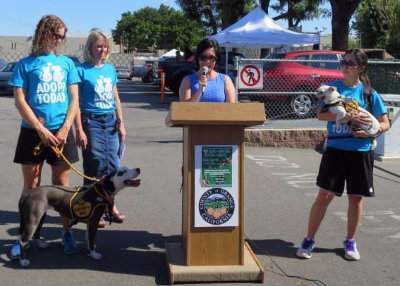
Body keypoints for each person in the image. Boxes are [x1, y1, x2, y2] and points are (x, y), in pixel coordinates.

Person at [296, 49, 390, 261]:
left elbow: (385, 122)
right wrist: (345, 117)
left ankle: (350, 242)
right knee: (324, 195)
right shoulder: (333, 89)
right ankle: (309, 239)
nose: (345, 66)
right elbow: (320, 114)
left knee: (355, 199)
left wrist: (371, 130)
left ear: (361, 68)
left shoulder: (369, 93)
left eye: (351, 63)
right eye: (344, 62)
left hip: (361, 151)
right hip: (336, 151)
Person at [9, 15, 80, 257]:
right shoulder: (25, 65)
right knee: (32, 187)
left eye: (63, 36)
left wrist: (62, 130)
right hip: (33, 133)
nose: (60, 40)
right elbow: (20, 101)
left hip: (62, 134)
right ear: (43, 33)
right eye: (56, 34)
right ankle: (28, 236)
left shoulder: (67, 64)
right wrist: (40, 130)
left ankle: (66, 234)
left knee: (62, 188)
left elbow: (74, 101)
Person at [74, 29, 126, 226]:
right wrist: (79, 129)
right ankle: (91, 211)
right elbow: (76, 103)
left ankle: (109, 205)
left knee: (113, 166)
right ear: (90, 47)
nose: (103, 49)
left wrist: (121, 123)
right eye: (99, 46)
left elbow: (116, 98)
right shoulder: (81, 70)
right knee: (95, 165)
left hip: (110, 120)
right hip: (91, 121)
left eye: (105, 46)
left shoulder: (110, 70)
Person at [179, 38, 236, 103]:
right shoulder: (187, 81)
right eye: (203, 57)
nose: (207, 62)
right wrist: (200, 90)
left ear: (217, 59)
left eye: (211, 57)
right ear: (198, 58)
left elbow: (231, 109)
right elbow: (185, 109)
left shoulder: (225, 80)